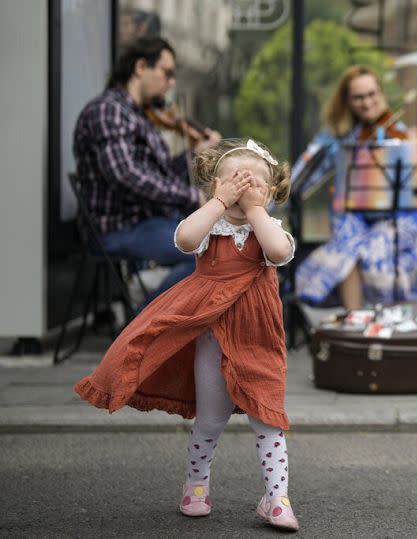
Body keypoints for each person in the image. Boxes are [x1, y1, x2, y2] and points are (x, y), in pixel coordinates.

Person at [74, 138, 299, 531]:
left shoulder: (267, 229)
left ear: (271, 191)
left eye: (254, 184)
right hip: (211, 335)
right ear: (214, 185)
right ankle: (196, 485)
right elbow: (184, 240)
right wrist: (217, 202)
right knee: (211, 419)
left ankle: (276, 498)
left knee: (268, 418)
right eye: (232, 181)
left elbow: (279, 252)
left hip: (258, 337)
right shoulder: (209, 225)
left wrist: (256, 210)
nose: (242, 188)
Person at [73, 36, 220, 309]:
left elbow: (158, 176)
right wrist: (191, 197)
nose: (171, 82)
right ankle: (143, 333)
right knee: (204, 252)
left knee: (219, 245)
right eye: (167, 73)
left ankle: (168, 330)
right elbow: (126, 174)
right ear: (141, 67)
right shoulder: (108, 110)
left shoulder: (139, 116)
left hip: (145, 222)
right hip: (118, 228)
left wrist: (195, 153)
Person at [293, 65, 417, 310]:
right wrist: (271, 197)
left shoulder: (401, 134)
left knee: (373, 248)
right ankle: (356, 322)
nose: (367, 103)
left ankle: (386, 322)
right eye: (358, 97)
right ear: (347, 101)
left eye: (372, 94)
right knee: (348, 249)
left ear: (381, 93)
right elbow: (303, 174)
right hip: (353, 213)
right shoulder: (336, 136)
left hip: (397, 215)